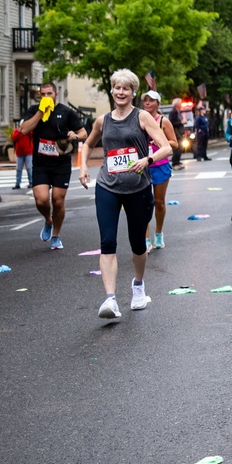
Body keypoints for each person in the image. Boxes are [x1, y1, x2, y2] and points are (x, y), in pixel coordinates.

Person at [78, 69, 172, 319]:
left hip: (138, 188)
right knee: (107, 243)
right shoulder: (102, 121)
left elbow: (166, 148)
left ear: (133, 92)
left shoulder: (142, 118)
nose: (121, 92)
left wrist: (147, 159)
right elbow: (87, 144)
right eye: (117, 88)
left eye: (126, 89)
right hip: (107, 186)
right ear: (112, 90)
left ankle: (138, 286)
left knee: (138, 243)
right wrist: (84, 165)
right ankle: (110, 299)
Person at [19, 80, 87, 250]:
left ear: (56, 94)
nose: (46, 97)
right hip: (41, 163)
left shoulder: (66, 112)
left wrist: (75, 136)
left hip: (61, 163)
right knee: (41, 200)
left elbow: (83, 132)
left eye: (49, 94)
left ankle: (56, 235)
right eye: (43, 94)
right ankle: (48, 220)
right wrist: (41, 112)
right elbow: (24, 130)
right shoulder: (34, 111)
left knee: (57, 201)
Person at [140, 90, 178, 250]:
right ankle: (146, 239)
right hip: (142, 166)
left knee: (159, 203)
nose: (148, 103)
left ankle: (159, 234)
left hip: (160, 166)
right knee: (143, 204)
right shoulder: (138, 119)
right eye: (146, 100)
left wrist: (159, 142)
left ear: (158, 103)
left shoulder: (163, 121)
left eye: (151, 100)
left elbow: (174, 143)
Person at [12, 120, 34, 189]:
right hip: (20, 153)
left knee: (29, 168)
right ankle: (18, 183)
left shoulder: (29, 131)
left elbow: (32, 135)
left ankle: (31, 182)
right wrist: (19, 131)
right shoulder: (17, 131)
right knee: (19, 169)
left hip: (28, 152)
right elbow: (14, 137)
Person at [167, 99, 185, 169]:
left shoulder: (178, 111)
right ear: (177, 104)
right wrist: (181, 123)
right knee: (176, 148)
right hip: (176, 132)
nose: (181, 104)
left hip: (179, 132)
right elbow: (172, 123)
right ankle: (175, 163)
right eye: (180, 103)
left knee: (180, 147)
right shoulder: (173, 112)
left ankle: (178, 161)